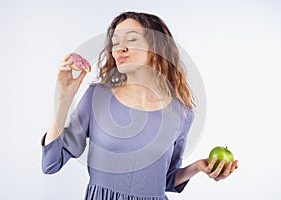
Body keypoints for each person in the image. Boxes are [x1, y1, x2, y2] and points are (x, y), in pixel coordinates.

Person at [41, 11, 238, 200]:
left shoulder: (182, 113)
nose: (119, 48)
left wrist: (197, 167)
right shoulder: (97, 96)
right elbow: (51, 164)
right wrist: (63, 100)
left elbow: (165, 180)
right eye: (115, 42)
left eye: (132, 40)